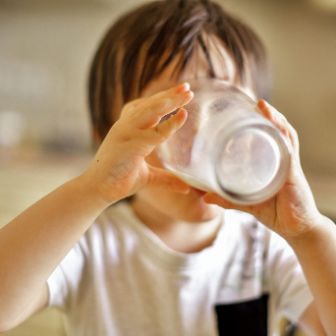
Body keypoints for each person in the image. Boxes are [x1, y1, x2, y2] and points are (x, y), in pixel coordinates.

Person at [0, 1, 335, 335]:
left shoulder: (264, 247)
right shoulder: (91, 244)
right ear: (107, 139)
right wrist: (92, 188)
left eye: (224, 108)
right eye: (169, 115)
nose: (202, 139)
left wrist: (309, 233)